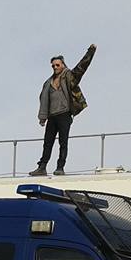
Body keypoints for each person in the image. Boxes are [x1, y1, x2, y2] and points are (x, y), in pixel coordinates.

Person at [30, 44, 97, 176]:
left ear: (63, 65)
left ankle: (60, 167)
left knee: (63, 142)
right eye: (53, 66)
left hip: (64, 114)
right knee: (47, 142)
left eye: (57, 65)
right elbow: (44, 100)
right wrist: (43, 117)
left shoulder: (68, 76)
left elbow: (81, 67)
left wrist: (90, 52)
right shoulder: (48, 83)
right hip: (52, 116)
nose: (55, 67)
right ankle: (42, 167)